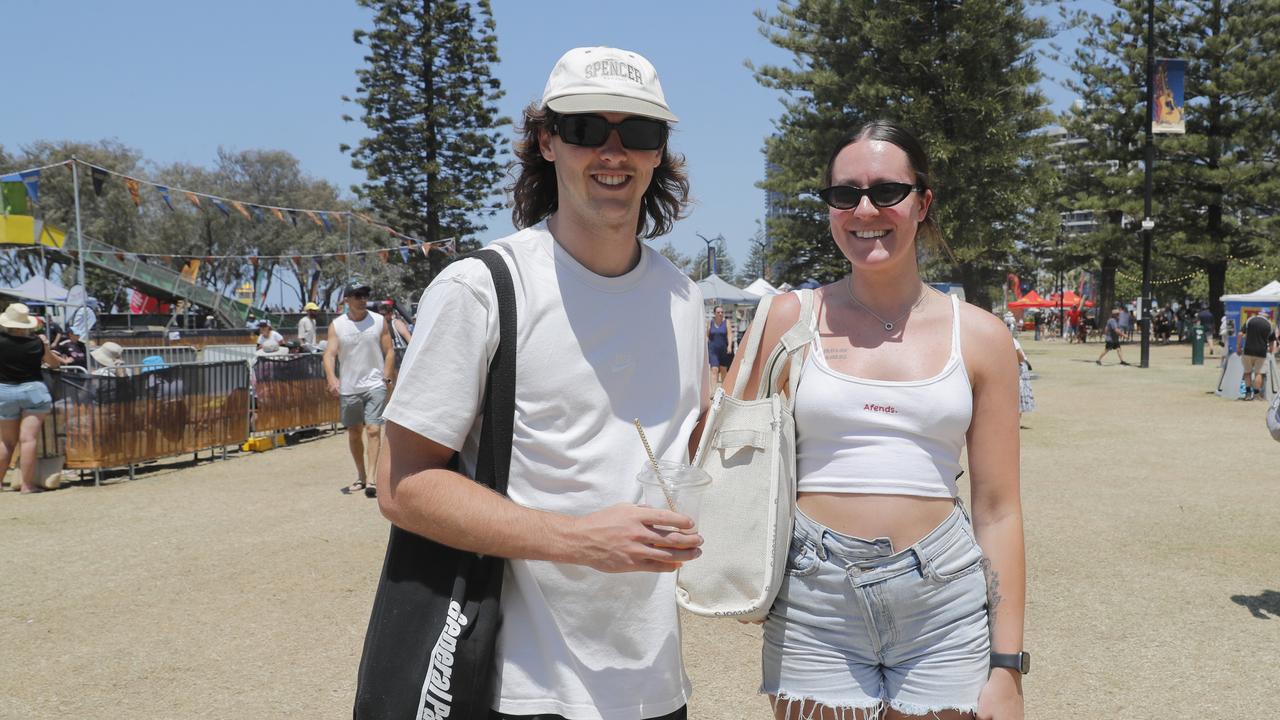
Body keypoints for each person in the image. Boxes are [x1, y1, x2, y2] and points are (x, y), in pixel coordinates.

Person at [373, 46, 705, 720]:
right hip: (516, 686)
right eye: (587, 129)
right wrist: (579, 541)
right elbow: (401, 484)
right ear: (548, 142)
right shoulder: (483, 288)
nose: (613, 153)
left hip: (654, 685)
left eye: (638, 133)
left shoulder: (684, 298)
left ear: (658, 153)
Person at [717, 121, 1024, 719]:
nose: (865, 210)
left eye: (887, 192)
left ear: (923, 201)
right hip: (813, 599)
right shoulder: (785, 318)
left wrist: (1007, 667)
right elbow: (727, 456)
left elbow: (999, 509)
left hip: (946, 602)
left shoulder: (983, 336)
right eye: (845, 194)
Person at [323, 281, 394, 498]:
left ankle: (372, 479)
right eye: (357, 295)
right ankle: (361, 476)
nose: (363, 299)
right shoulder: (337, 325)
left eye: (365, 294)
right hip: (349, 387)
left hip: (374, 384)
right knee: (354, 432)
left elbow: (389, 351)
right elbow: (329, 354)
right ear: (347, 300)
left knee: (373, 429)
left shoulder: (379, 321)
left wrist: (386, 377)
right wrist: (332, 377)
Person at [0, 303, 66, 493]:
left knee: (6, 441)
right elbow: (53, 365)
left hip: (4, 391)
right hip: (33, 390)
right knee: (28, 439)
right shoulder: (37, 342)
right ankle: (27, 485)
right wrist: (45, 346)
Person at [1237, 312, 1274, 401]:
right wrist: (1271, 350)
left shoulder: (1250, 320)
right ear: (1267, 317)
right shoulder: (1269, 324)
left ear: (1258, 314)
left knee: (1247, 372)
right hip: (1261, 352)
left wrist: (1238, 346)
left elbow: (1240, 334)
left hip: (1248, 350)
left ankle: (1248, 393)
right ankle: (1257, 394)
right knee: (1259, 373)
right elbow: (1272, 341)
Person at [706, 305, 735, 384]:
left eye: (722, 312)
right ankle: (713, 393)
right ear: (714, 313)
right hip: (713, 350)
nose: (720, 314)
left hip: (724, 350)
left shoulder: (726, 322)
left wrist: (729, 346)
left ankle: (723, 390)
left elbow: (729, 335)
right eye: (718, 312)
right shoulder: (710, 323)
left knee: (723, 371)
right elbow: (706, 336)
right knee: (714, 369)